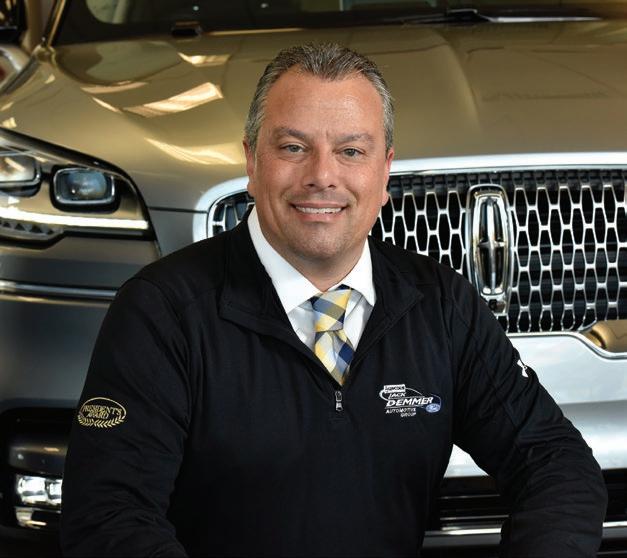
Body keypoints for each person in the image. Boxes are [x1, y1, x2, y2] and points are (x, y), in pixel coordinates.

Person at [60, 43, 607, 557]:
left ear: (384, 171)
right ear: (252, 161)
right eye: (293, 148)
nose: (322, 176)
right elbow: (108, 515)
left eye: (351, 151)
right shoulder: (161, 312)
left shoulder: (440, 305)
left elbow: (555, 462)